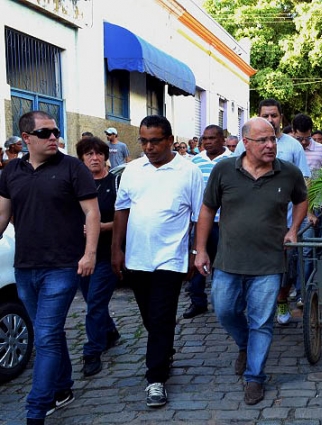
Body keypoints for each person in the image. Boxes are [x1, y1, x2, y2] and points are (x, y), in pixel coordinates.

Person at [194, 117, 307, 405]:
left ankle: (254, 377)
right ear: (246, 143)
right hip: (228, 260)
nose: (271, 145)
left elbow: (302, 199)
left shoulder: (288, 173)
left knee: (261, 323)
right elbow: (207, 211)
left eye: (273, 139)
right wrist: (200, 250)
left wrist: (293, 229)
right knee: (224, 311)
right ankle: (244, 345)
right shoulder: (224, 170)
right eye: (263, 141)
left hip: (269, 263)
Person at [0, 111, 100, 425]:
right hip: (24, 267)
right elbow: (2, 215)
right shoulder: (10, 171)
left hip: (63, 266)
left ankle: (36, 409)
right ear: (26, 138)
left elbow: (92, 213)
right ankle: (63, 386)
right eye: (45, 133)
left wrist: (89, 254)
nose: (54, 137)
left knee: (43, 336)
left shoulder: (72, 168)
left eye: (56, 131)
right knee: (50, 333)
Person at [111, 115, 203, 408]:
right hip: (138, 257)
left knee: (162, 316)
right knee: (151, 318)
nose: (148, 147)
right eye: (144, 141)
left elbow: (199, 216)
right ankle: (164, 351)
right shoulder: (132, 170)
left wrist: (194, 252)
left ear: (169, 140)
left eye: (155, 141)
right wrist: (117, 249)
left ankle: (155, 379)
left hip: (171, 258)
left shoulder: (188, 172)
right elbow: (122, 210)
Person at [233, 99, 310, 325]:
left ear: (281, 118)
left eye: (274, 116)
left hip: (284, 221)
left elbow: (304, 182)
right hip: (250, 221)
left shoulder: (293, 146)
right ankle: (254, 305)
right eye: (265, 115)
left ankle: (282, 300)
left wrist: (302, 217)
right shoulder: (242, 145)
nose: (270, 120)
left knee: (285, 266)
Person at [75, 136, 121, 377]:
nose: (94, 158)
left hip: (107, 253)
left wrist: (102, 226)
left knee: (94, 301)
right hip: (82, 255)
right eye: (89, 154)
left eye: (98, 153)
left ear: (105, 156)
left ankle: (92, 351)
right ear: (82, 158)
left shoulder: (115, 183)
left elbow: (126, 219)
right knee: (92, 298)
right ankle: (110, 331)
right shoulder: (76, 185)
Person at [183, 125, 234, 319]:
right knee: (198, 260)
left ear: (222, 139)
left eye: (212, 138)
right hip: (201, 221)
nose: (207, 142)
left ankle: (226, 303)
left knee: (225, 263)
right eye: (205, 138)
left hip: (226, 222)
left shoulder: (232, 160)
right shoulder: (195, 161)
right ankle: (198, 302)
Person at [291, 113, 322, 305]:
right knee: (290, 251)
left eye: (307, 138)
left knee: (307, 251)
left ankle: (303, 291)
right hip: (287, 208)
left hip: (312, 207)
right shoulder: (286, 149)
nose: (304, 142)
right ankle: (291, 286)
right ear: (293, 133)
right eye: (300, 138)